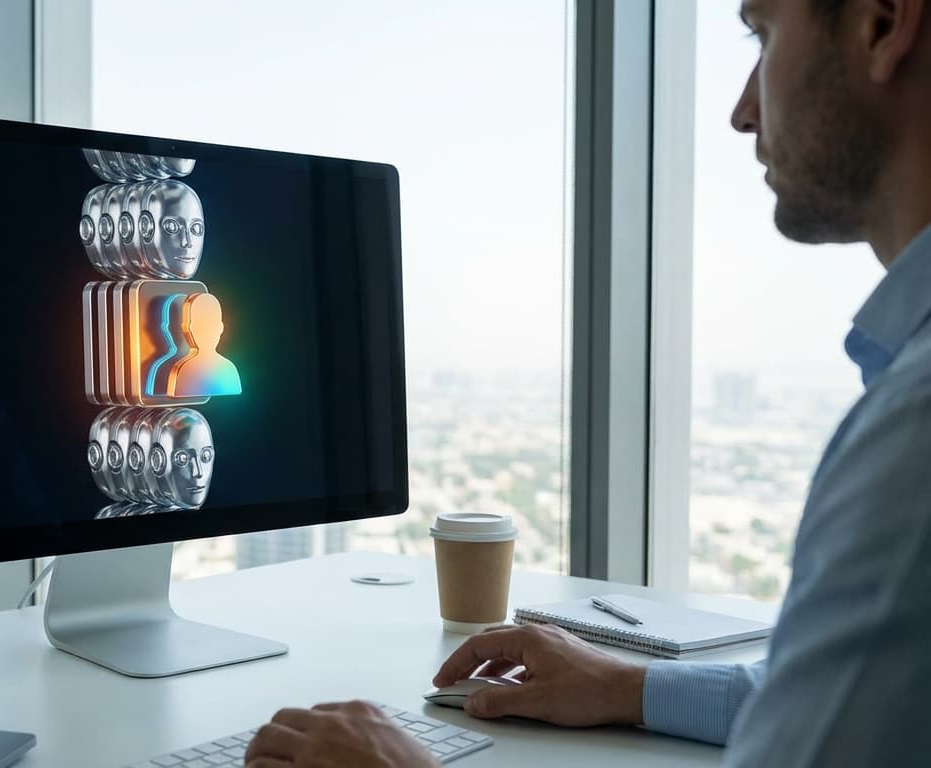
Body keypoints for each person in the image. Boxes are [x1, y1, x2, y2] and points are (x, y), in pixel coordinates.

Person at [244, 0, 931, 765]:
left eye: (761, 34)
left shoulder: (914, 437)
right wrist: (627, 686)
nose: (742, 111)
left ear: (881, 24)